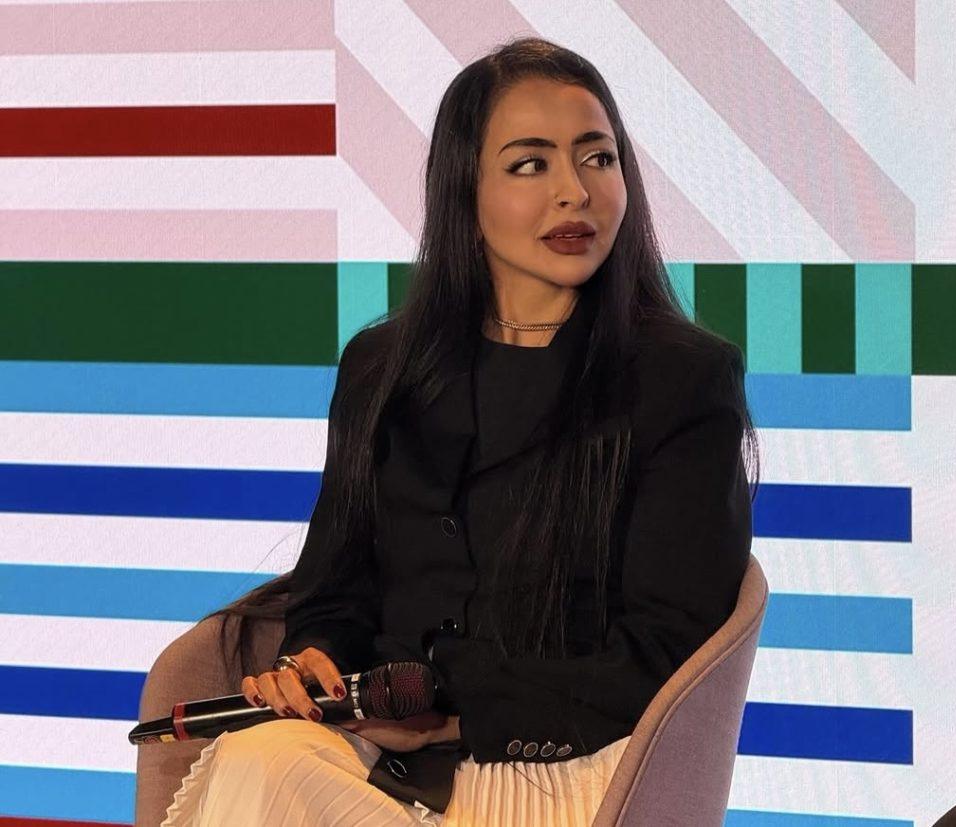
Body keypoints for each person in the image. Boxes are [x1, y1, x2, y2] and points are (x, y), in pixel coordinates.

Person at [160, 35, 760, 826]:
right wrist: (318, 660)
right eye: (530, 164)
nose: (575, 192)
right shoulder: (382, 366)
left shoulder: (682, 379)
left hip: (570, 764)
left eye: (598, 158)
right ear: (464, 190)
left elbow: (667, 648)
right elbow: (336, 587)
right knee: (256, 758)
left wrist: (451, 712)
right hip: (379, 758)